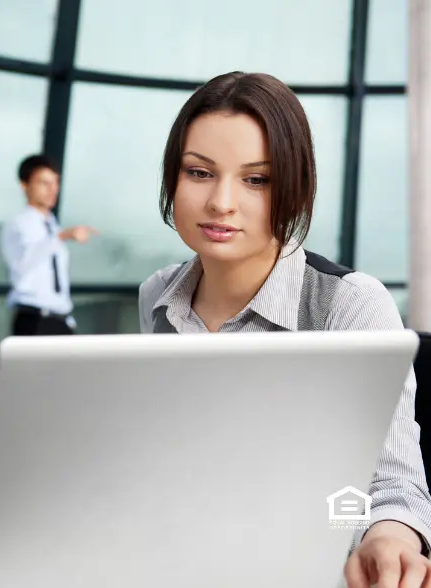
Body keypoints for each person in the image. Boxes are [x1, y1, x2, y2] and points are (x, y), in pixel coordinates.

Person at [138, 71, 431, 588]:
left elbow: (391, 482)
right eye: (199, 172)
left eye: (257, 179)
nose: (221, 202)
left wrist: (389, 537)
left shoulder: (349, 303)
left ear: (293, 187)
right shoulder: (157, 299)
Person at [1, 155, 97, 335]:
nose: (53, 189)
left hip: (59, 319)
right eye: (44, 183)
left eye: (55, 183)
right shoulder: (18, 224)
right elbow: (22, 265)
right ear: (25, 185)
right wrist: (61, 236)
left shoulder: (52, 225)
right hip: (34, 319)